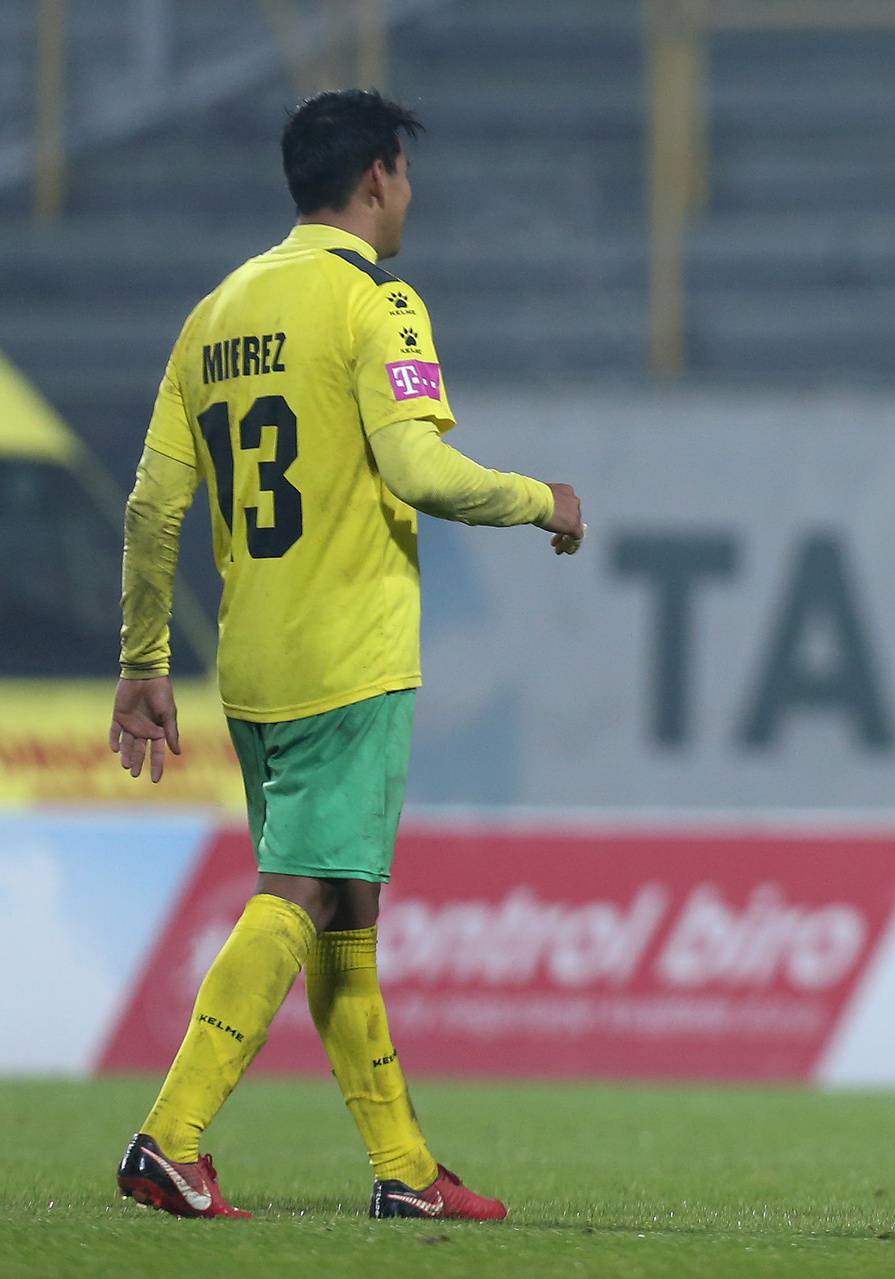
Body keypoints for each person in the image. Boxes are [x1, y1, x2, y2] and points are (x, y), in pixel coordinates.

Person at [110, 88, 585, 1221]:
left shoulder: (214, 313)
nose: (407, 197)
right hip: (351, 658)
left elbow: (150, 508)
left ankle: (406, 1170)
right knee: (303, 892)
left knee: (345, 906)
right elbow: (419, 469)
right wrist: (542, 501)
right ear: (376, 177)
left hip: (253, 664)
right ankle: (169, 1137)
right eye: (405, 178)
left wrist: (142, 661)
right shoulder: (377, 303)